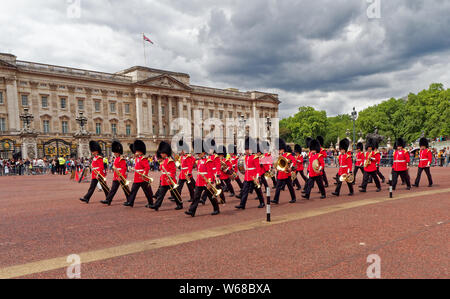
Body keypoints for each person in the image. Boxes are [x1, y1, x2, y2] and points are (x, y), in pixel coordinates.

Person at [185, 139, 220, 217]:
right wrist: (189, 175)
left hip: (207, 181)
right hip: (199, 182)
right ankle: (192, 211)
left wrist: (210, 182)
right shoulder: (199, 161)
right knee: (196, 197)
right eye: (197, 153)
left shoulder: (208, 160)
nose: (198, 155)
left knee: (211, 196)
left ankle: (216, 209)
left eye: (199, 153)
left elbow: (210, 172)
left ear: (203, 153)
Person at [150, 142, 183, 211]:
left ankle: (180, 204)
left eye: (162, 153)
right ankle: (156, 205)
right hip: (164, 180)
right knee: (161, 194)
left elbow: (173, 170)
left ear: (166, 153)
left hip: (170, 180)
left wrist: (170, 177)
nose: (161, 154)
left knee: (175, 194)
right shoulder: (164, 161)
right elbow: (161, 169)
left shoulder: (170, 161)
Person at [235, 138, 266, 210]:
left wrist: (258, 177)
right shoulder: (246, 157)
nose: (246, 151)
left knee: (258, 190)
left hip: (254, 177)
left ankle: (262, 202)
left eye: (247, 149)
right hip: (247, 176)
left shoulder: (255, 157)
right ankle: (242, 204)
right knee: (244, 190)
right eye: (245, 149)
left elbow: (258, 168)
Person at [124, 140, 154, 208]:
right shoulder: (137, 158)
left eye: (137, 151)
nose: (135, 152)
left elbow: (147, 167)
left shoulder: (143, 158)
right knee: (133, 191)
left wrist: (144, 174)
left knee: (147, 192)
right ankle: (131, 202)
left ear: (140, 151)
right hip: (137, 177)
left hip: (143, 178)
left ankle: (151, 203)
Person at [101, 141, 128, 206]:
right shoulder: (116, 159)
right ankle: (108, 200)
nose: (114, 153)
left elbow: (123, 168)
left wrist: (120, 176)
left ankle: (130, 200)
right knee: (113, 189)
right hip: (116, 176)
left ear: (118, 152)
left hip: (121, 176)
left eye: (115, 152)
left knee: (125, 189)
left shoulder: (121, 159)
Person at [272, 138, 297, 204]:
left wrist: (291, 168)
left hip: (287, 174)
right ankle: (276, 199)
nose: (278, 151)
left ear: (283, 149)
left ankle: (293, 198)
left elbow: (294, 162)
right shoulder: (279, 156)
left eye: (279, 149)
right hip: (280, 174)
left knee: (290, 187)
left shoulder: (288, 155)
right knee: (277, 187)